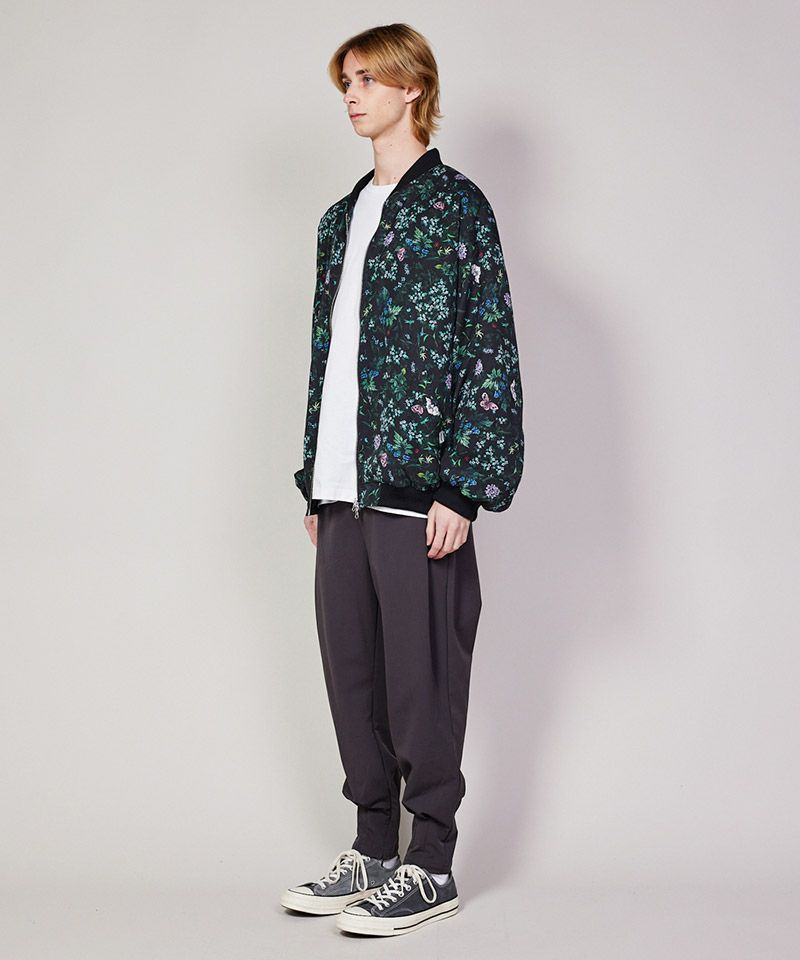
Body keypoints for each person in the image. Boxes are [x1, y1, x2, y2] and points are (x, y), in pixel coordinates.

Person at [282, 22, 525, 937]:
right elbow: (328, 356)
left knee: (423, 679)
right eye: (345, 81)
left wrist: (465, 487)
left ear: (412, 88)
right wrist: (316, 477)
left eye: (367, 80)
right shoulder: (338, 220)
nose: (352, 95)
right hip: (341, 488)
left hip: (419, 491)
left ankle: (432, 863)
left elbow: (489, 347)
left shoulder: (457, 208)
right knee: (352, 674)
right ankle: (373, 848)